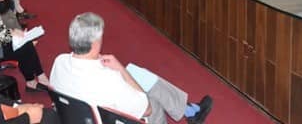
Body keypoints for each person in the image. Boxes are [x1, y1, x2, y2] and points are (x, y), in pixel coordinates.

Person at [50, 13, 213, 124]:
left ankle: (188, 110)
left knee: (136, 73)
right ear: (94, 44)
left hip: (79, 115)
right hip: (111, 117)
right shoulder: (108, 78)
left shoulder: (60, 61)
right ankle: (189, 110)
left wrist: (124, 71)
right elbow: (147, 109)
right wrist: (121, 70)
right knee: (154, 102)